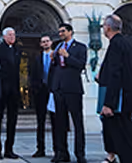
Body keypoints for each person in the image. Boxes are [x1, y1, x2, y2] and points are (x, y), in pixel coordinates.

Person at [98, 15, 132, 163]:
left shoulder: (116, 44)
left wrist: (108, 103)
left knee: (123, 141)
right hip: (129, 98)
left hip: (120, 101)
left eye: (103, 26)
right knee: (129, 137)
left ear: (108, 27)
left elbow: (115, 74)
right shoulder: (128, 43)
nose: (103, 29)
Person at [51, 22, 88, 163]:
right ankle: (61, 153)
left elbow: (81, 65)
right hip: (58, 88)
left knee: (77, 123)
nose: (60, 34)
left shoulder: (80, 47)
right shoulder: (57, 47)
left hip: (73, 89)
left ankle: (80, 154)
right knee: (60, 123)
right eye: (59, 31)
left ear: (70, 32)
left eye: (63, 31)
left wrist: (67, 56)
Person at [0, 27, 22, 160]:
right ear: (4, 36)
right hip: (1, 89)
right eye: (9, 35)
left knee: (12, 120)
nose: (12, 37)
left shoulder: (17, 49)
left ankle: (9, 149)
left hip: (14, 90)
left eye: (13, 34)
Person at [28, 34, 55, 158]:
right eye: (43, 42)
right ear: (40, 44)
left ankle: (57, 149)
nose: (45, 43)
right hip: (40, 93)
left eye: (47, 41)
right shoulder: (36, 58)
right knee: (41, 121)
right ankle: (40, 149)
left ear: (51, 42)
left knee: (56, 122)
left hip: (54, 91)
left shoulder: (56, 56)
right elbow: (32, 75)